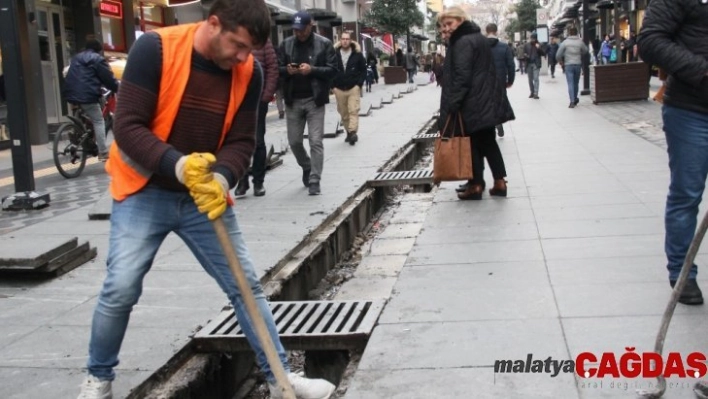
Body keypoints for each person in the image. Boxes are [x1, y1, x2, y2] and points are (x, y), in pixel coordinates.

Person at [75, 1, 336, 398]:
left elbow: (242, 141)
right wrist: (177, 165)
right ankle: (98, 379)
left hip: (203, 196)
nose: (244, 58)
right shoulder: (156, 50)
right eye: (238, 46)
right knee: (121, 286)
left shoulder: (249, 70)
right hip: (145, 188)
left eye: (251, 50)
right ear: (213, 24)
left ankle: (281, 377)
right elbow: (127, 127)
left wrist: (223, 177)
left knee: (245, 286)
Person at [638, 0, 708, 307]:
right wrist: (702, 72)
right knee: (687, 192)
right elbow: (651, 40)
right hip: (692, 109)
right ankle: (682, 272)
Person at [437, 7, 513, 201]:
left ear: (461, 20)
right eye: (443, 25)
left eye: (450, 23)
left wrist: (453, 104)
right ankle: (498, 182)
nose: (446, 28)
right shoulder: (476, 37)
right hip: (485, 100)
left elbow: (462, 76)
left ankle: (476, 185)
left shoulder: (462, 42)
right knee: (487, 142)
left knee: (472, 144)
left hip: (473, 102)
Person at [277, 11, 337, 196]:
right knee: (294, 141)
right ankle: (307, 166)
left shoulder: (324, 44)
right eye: (295, 30)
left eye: (302, 30)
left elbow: (333, 70)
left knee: (315, 140)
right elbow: (277, 68)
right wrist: (287, 70)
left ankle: (314, 179)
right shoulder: (285, 44)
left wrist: (312, 70)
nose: (299, 33)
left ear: (310, 26)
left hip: (314, 99)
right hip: (293, 100)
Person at [63, 38, 120, 162]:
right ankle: (103, 152)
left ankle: (80, 134)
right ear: (98, 50)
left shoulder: (76, 58)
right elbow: (108, 78)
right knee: (98, 120)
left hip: (71, 93)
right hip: (87, 94)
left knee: (85, 112)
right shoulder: (97, 59)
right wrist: (117, 87)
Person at [235, 38, 279, 197]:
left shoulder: (263, 41)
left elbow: (273, 68)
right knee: (239, 141)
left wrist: (266, 95)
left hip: (258, 99)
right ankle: (242, 180)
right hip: (237, 100)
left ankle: (258, 182)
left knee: (258, 140)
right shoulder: (234, 37)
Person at [332, 32, 366, 145]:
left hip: (353, 88)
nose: (345, 41)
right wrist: (333, 87)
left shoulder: (357, 54)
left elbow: (363, 70)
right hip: (339, 89)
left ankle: (352, 132)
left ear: (350, 40)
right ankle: (348, 131)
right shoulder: (334, 54)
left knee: (353, 110)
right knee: (344, 113)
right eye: (343, 39)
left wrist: (359, 85)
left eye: (347, 39)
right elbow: (329, 71)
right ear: (340, 40)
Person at [485, 23, 515, 138]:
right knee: (499, 102)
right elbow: (511, 65)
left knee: (487, 103)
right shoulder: (504, 47)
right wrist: (510, 80)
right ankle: (498, 122)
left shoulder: (481, 46)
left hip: (485, 80)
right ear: (496, 32)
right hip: (500, 79)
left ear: (486, 32)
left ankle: (491, 125)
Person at [556, 27, 589, 109]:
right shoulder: (580, 42)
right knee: (576, 82)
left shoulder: (565, 43)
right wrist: (580, 54)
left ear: (569, 33)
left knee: (570, 83)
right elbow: (586, 50)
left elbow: (558, 55)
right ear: (576, 33)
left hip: (568, 65)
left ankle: (572, 101)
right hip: (577, 64)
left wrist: (561, 62)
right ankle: (575, 98)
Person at [523, 33, 545, 99]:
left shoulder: (539, 44)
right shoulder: (526, 45)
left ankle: (536, 93)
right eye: (531, 38)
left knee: (536, 78)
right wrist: (526, 55)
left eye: (533, 38)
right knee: (530, 79)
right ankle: (532, 92)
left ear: (536, 38)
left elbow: (543, 53)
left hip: (536, 64)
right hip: (529, 63)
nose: (532, 40)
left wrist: (539, 48)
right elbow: (524, 53)